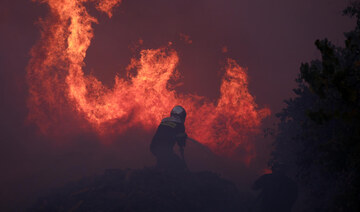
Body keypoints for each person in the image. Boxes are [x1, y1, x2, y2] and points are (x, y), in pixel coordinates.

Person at [150, 105, 188, 171]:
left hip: (154, 147)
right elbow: (181, 144)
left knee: (163, 162)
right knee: (179, 165)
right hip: (165, 149)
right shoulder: (180, 125)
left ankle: (156, 173)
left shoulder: (164, 122)